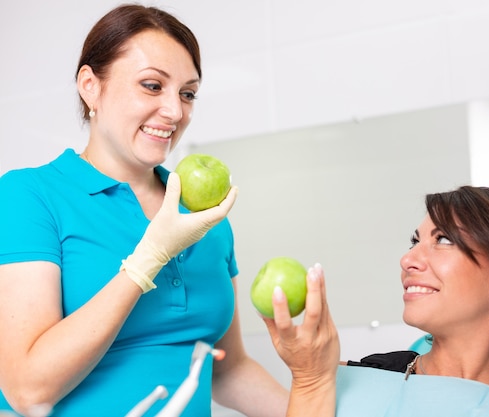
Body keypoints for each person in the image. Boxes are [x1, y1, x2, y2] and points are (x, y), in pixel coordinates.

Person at [0, 5, 288, 417]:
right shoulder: (29, 195)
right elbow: (29, 390)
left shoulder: (201, 215)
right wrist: (147, 259)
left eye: (187, 93)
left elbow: (229, 370)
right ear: (90, 86)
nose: (175, 111)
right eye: (152, 86)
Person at [264, 186, 489, 416]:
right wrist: (309, 383)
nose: (408, 259)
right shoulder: (334, 380)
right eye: (415, 241)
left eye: (444, 240)